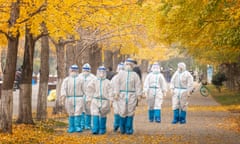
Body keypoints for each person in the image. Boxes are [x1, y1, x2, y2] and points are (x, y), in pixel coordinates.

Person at [113, 58, 142, 135]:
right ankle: (122, 128)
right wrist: (116, 93)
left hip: (131, 95)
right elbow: (117, 84)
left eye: (130, 65)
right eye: (127, 64)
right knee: (122, 111)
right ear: (125, 65)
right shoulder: (121, 74)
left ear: (133, 66)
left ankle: (129, 128)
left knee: (130, 111)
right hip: (121, 95)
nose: (128, 66)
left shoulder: (135, 75)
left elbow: (138, 85)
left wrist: (139, 94)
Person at [86, 66, 113, 135]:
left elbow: (110, 91)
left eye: (103, 72)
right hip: (95, 100)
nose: (101, 73)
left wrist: (111, 100)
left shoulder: (108, 82)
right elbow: (89, 90)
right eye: (100, 72)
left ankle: (102, 129)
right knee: (95, 113)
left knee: (103, 115)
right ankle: (95, 129)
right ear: (97, 72)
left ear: (105, 73)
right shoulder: (94, 81)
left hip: (105, 100)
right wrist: (89, 99)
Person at [60, 64, 85, 133]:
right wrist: (63, 96)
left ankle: (78, 127)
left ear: (77, 71)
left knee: (78, 112)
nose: (73, 71)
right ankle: (71, 127)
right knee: (71, 113)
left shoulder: (81, 79)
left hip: (79, 98)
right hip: (69, 98)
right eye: (72, 70)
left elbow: (85, 89)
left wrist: (88, 97)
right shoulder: (66, 80)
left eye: (75, 70)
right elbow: (63, 88)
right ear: (70, 71)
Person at [79, 63, 96, 130]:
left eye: (87, 70)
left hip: (90, 96)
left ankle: (88, 125)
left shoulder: (93, 77)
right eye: (84, 70)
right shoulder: (79, 76)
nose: (86, 71)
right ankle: (82, 124)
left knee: (89, 110)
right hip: (81, 95)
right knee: (81, 110)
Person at [111, 62, 124, 132]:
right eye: (120, 69)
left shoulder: (126, 78)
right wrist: (112, 96)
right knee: (116, 111)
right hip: (116, 98)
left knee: (123, 112)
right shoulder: (114, 78)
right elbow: (111, 87)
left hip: (124, 98)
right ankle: (116, 125)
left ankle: (122, 127)